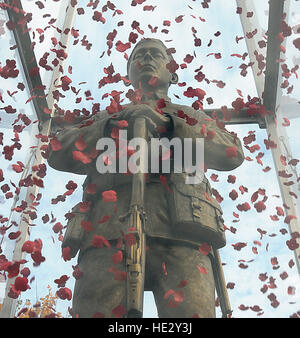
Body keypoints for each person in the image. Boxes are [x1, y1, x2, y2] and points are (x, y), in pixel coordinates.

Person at [47, 38, 244, 318]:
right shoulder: (107, 117)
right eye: (139, 56)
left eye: (155, 54)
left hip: (183, 234)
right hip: (109, 233)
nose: (147, 59)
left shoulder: (189, 117)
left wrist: (172, 126)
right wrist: (109, 127)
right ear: (129, 75)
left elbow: (232, 152)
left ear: (172, 72)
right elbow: (57, 151)